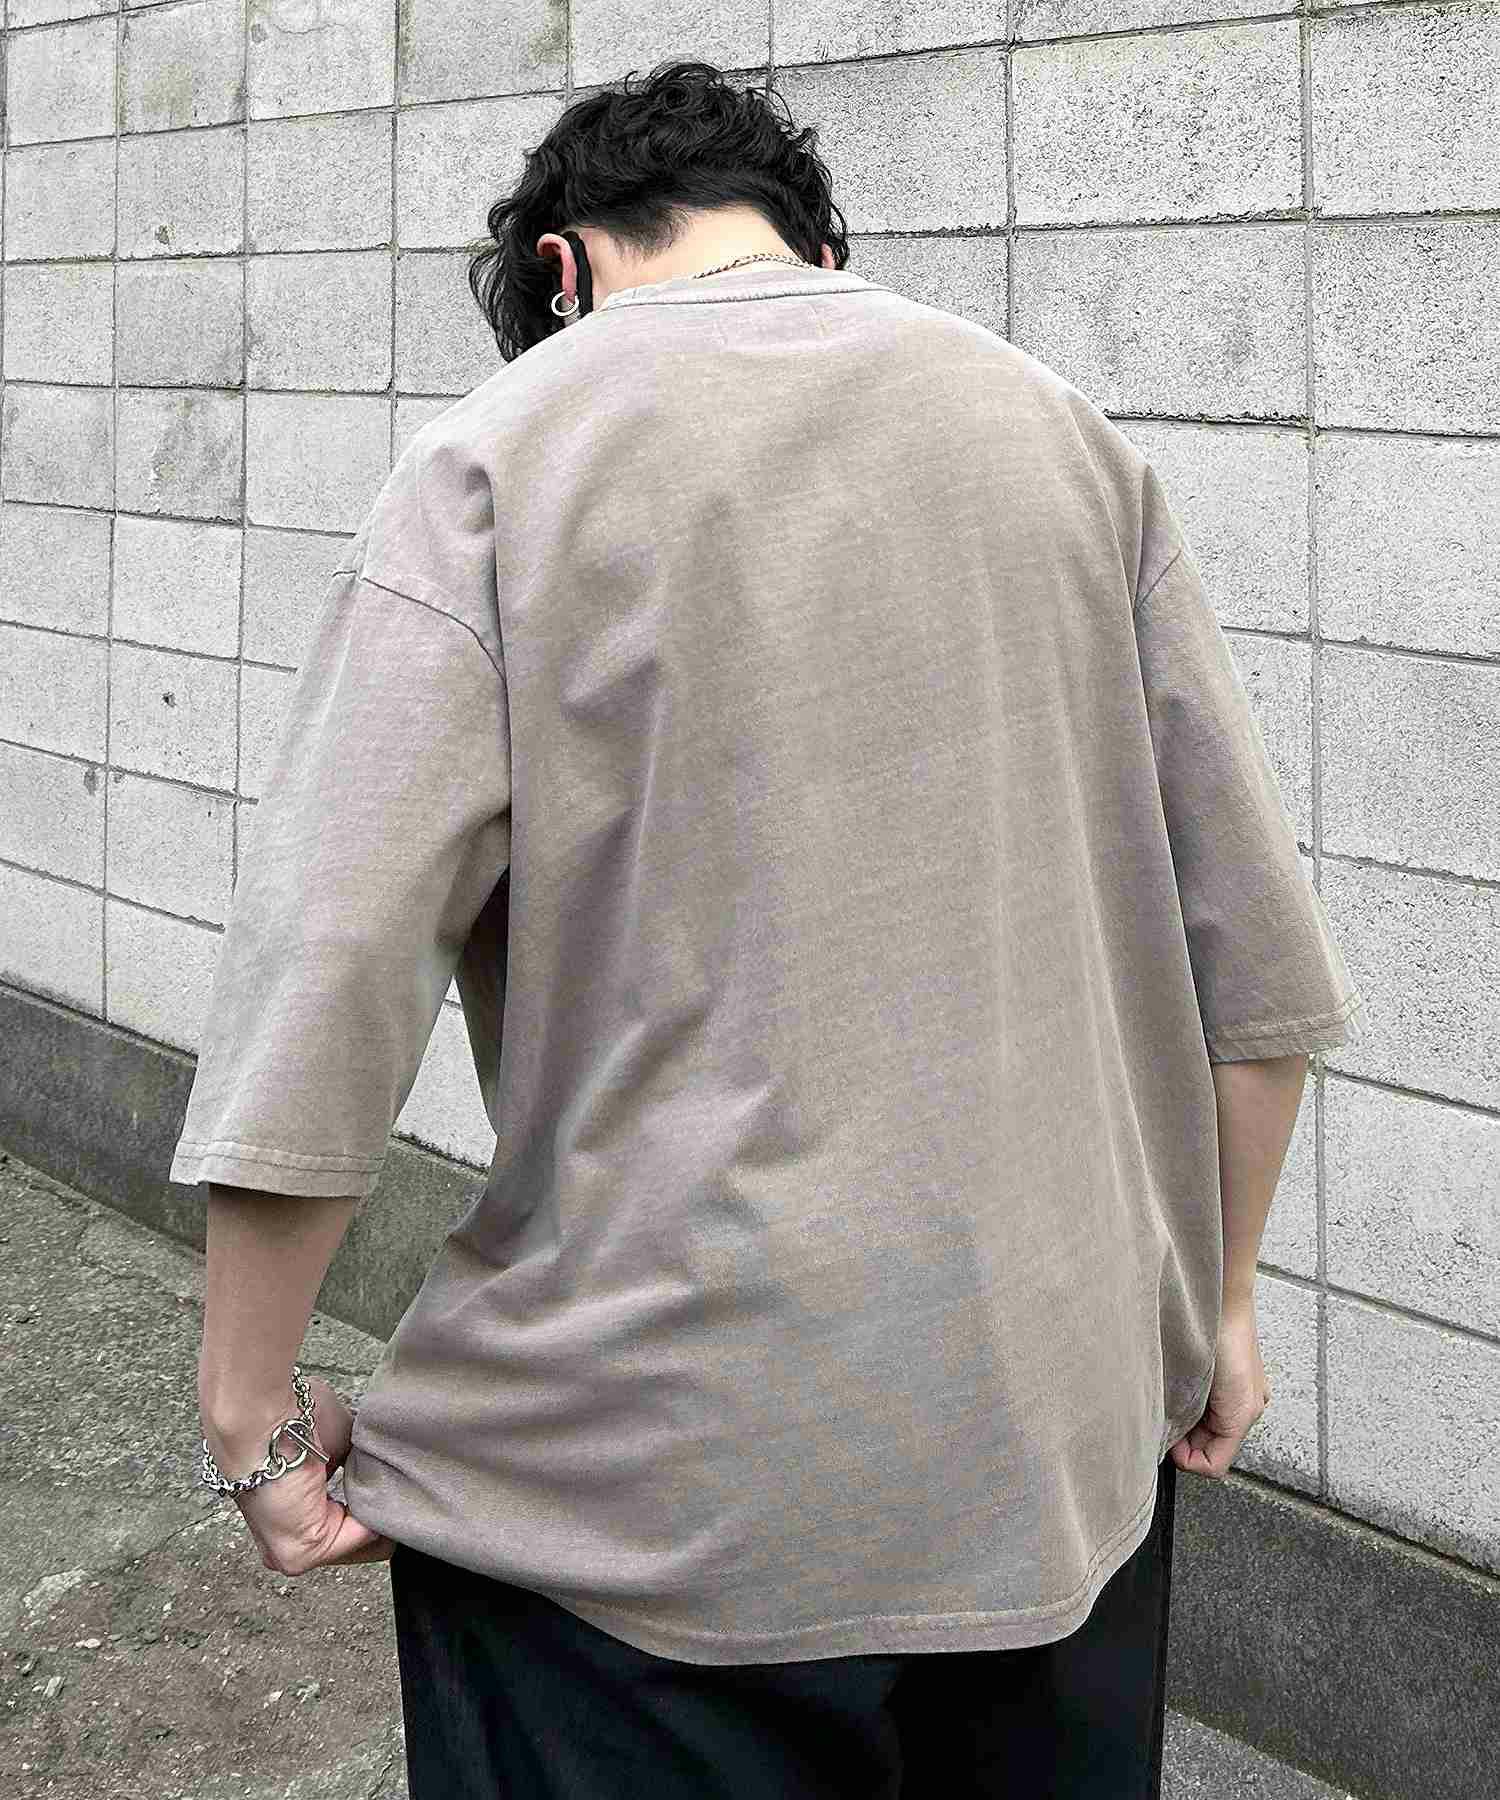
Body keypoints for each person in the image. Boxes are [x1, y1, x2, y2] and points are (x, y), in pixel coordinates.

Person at [174, 59, 1365, 1800]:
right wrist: (1222, 1304)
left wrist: (254, 1412)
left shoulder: (499, 463)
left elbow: (328, 975)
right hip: (1055, 1461)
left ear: (564, 270)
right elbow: (1254, 976)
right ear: (817, 245)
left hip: (642, 1520)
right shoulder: (1066, 441)